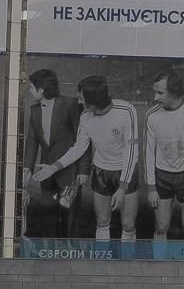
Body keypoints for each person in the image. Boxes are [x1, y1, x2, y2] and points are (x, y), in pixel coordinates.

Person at [30, 74, 139, 242]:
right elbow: (79, 147)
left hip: (126, 172)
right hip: (101, 172)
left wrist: (123, 187)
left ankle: (127, 265)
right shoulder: (85, 117)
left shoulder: (127, 110)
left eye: (82, 98)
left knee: (128, 225)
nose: (79, 102)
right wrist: (54, 167)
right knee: (102, 222)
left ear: (94, 100)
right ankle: (103, 262)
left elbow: (132, 152)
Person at [19, 67, 82, 238]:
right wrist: (27, 168)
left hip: (69, 171)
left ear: (42, 89)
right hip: (46, 174)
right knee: (50, 216)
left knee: (70, 220)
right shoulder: (34, 110)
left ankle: (70, 252)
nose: (30, 91)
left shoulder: (71, 105)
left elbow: (84, 141)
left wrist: (83, 171)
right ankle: (52, 251)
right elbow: (32, 141)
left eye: (32, 87)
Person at [144, 69, 184, 244]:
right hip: (162, 176)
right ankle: (159, 268)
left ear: (175, 91)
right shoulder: (152, 116)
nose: (155, 98)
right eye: (154, 92)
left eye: (160, 93)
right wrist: (151, 188)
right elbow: (148, 153)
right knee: (161, 227)